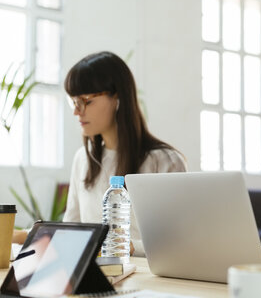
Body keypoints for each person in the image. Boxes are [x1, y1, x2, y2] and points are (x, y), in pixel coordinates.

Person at [61, 51, 187, 256]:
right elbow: (71, 228)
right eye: (73, 101)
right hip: (94, 274)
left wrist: (124, 247)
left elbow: (178, 243)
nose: (77, 111)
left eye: (85, 100)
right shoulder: (82, 159)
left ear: (117, 98)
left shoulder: (164, 162)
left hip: (147, 276)